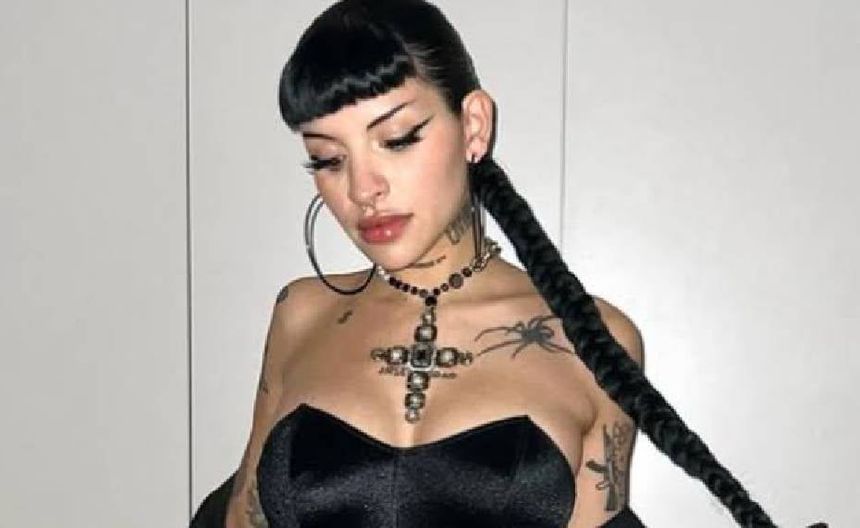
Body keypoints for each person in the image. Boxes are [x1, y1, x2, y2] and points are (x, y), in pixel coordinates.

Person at [192, 1, 827, 527]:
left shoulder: (594, 341)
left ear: (473, 125)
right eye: (328, 159)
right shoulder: (301, 314)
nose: (363, 188)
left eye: (398, 139)